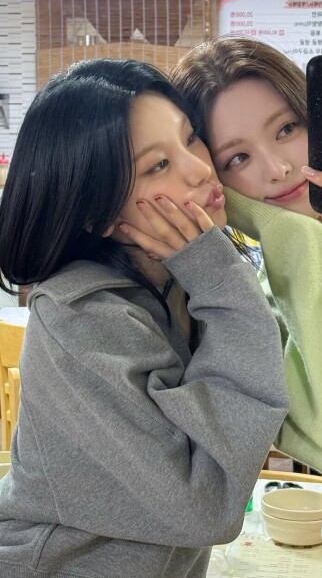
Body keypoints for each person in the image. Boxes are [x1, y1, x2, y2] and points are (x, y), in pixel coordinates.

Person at [0, 58, 288, 578]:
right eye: (158, 166)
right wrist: (218, 278)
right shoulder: (81, 316)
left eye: (191, 137)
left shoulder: (180, 281)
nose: (200, 169)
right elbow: (207, 504)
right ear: (99, 214)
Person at [171, 37, 322, 578]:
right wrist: (292, 239)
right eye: (236, 158)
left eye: (287, 129)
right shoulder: (255, 305)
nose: (278, 168)